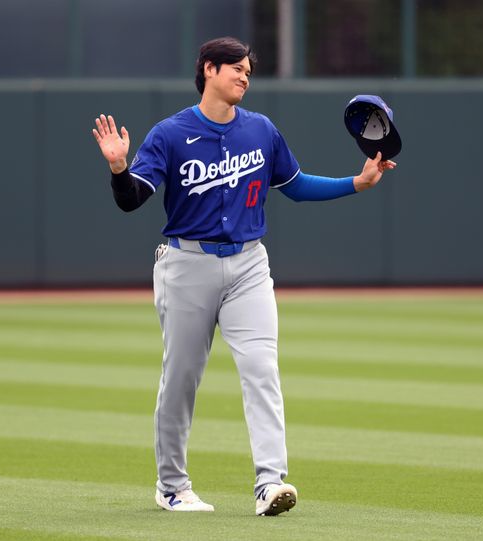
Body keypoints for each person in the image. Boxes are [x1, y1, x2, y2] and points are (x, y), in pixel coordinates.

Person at [92, 36, 395, 516]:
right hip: (186, 264)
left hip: (250, 266)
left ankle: (270, 483)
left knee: (262, 369)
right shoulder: (170, 134)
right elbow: (132, 199)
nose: (244, 77)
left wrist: (356, 183)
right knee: (181, 379)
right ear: (209, 70)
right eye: (236, 68)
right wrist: (117, 168)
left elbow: (295, 186)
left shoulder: (261, 130)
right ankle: (172, 485)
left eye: (248, 71)